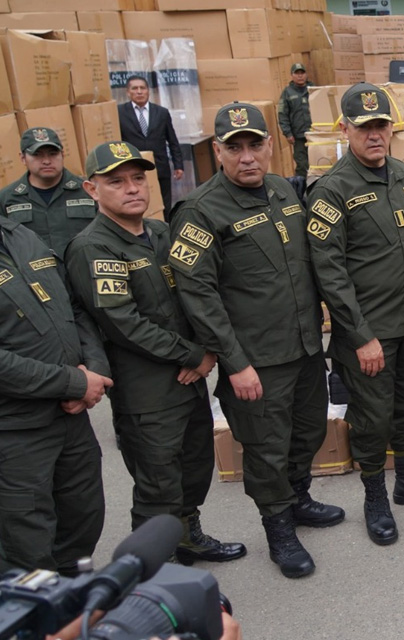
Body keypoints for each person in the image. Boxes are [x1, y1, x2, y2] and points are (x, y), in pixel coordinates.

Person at [168, 102, 343, 579]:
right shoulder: (200, 211)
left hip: (305, 346)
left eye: (254, 145)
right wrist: (235, 361)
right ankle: (279, 531)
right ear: (218, 152)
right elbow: (197, 294)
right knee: (267, 450)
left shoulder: (284, 189)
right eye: (234, 148)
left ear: (270, 146)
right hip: (256, 360)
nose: (247, 157)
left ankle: (299, 497)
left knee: (308, 432)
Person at [63, 141, 245, 565]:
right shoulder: (93, 247)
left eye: (137, 178)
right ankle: (148, 571)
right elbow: (123, 323)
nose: (132, 189)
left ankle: (186, 536)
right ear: (92, 189)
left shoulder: (161, 232)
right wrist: (191, 355)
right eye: (116, 181)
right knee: (157, 483)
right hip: (147, 392)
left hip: (189, 377)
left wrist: (206, 352)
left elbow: (199, 295)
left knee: (195, 466)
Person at [307, 83, 404, 547]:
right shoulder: (331, 191)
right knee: (372, 419)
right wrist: (359, 336)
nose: (375, 135)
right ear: (344, 129)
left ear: (392, 127)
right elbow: (329, 274)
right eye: (364, 127)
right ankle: (375, 495)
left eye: (381, 126)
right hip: (369, 333)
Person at [0, 204, 111, 575]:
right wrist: (74, 382)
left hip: (70, 419)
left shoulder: (21, 236)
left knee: (85, 515)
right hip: (16, 431)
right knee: (26, 545)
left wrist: (94, 369)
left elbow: (74, 308)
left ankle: (73, 601)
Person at [0, 128, 95, 258]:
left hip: (82, 271)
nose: (46, 161)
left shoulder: (88, 191)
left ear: (62, 154)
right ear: (23, 158)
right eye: (37, 154)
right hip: (34, 275)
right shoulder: (6, 198)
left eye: (52, 153)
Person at [118, 75, 183, 219]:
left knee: (164, 204)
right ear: (128, 92)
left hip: (160, 166)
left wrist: (178, 165)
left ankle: (165, 230)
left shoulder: (161, 112)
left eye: (143, 88)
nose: (139, 91)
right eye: (135, 88)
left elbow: (172, 140)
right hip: (134, 167)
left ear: (148, 91)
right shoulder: (120, 113)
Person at [278, 63, 313, 177]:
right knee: (302, 166)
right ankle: (301, 192)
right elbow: (283, 114)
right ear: (292, 75)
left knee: (318, 162)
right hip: (298, 137)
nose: (300, 76)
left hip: (315, 134)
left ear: (306, 74)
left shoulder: (313, 89)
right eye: (296, 73)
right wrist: (287, 133)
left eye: (302, 73)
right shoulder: (287, 93)